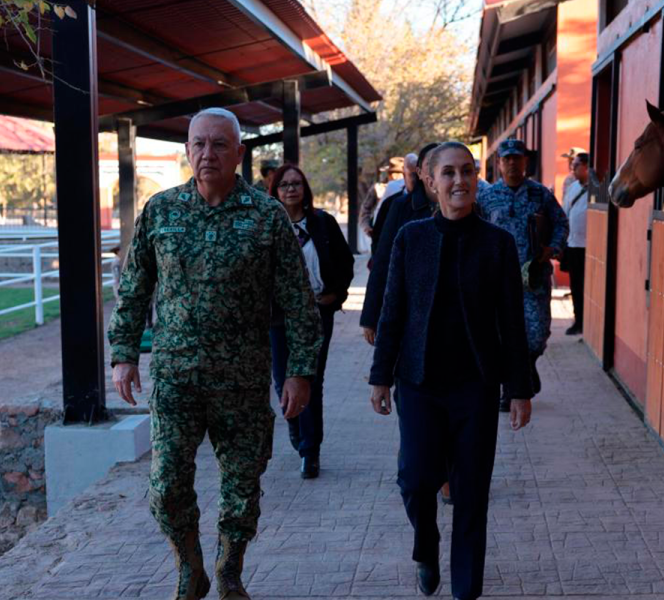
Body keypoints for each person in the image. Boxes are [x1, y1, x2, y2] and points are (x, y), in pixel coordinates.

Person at [108, 107, 322, 600]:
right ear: (187, 150)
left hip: (242, 380)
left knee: (243, 485)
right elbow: (135, 286)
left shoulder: (266, 216)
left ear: (239, 153)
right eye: (199, 144)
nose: (208, 154)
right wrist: (124, 353)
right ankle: (189, 565)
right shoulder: (161, 211)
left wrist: (300, 372)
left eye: (219, 144)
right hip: (177, 377)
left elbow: (298, 302)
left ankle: (228, 570)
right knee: (165, 487)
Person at [369, 141, 533, 600]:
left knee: (471, 490)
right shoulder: (411, 237)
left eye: (468, 171)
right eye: (448, 173)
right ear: (429, 180)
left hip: (477, 386)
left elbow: (511, 323)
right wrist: (380, 375)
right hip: (419, 384)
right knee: (416, 480)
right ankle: (426, 544)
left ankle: (466, 590)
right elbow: (392, 311)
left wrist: (519, 388)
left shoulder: (498, 244)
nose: (459, 181)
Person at [267, 164, 354, 479]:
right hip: (279, 317)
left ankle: (310, 449)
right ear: (275, 191)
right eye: (284, 185)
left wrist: (337, 295)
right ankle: (293, 422)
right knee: (281, 378)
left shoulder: (323, 223)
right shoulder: (268, 224)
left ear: (305, 189)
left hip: (318, 314)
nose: (291, 189)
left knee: (311, 380)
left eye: (296, 184)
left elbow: (345, 263)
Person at [476, 138, 568, 412]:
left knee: (537, 334)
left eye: (518, 158)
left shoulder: (540, 195)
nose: (513, 163)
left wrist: (553, 247)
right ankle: (509, 389)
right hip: (497, 279)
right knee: (502, 335)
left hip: (534, 277)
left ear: (525, 162)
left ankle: (528, 366)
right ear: (500, 163)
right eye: (507, 159)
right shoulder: (487, 197)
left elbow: (561, 224)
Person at [360, 143, 440, 345]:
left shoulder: (467, 207)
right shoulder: (400, 206)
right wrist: (370, 316)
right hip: (408, 309)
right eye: (431, 164)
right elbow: (383, 260)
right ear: (420, 172)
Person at [562, 152, 590, 335]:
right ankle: (578, 320)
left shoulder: (597, 189)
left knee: (588, 287)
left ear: (587, 167)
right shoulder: (572, 187)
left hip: (589, 247)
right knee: (576, 287)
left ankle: (587, 322)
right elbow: (564, 211)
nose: (573, 167)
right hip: (573, 245)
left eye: (577, 164)